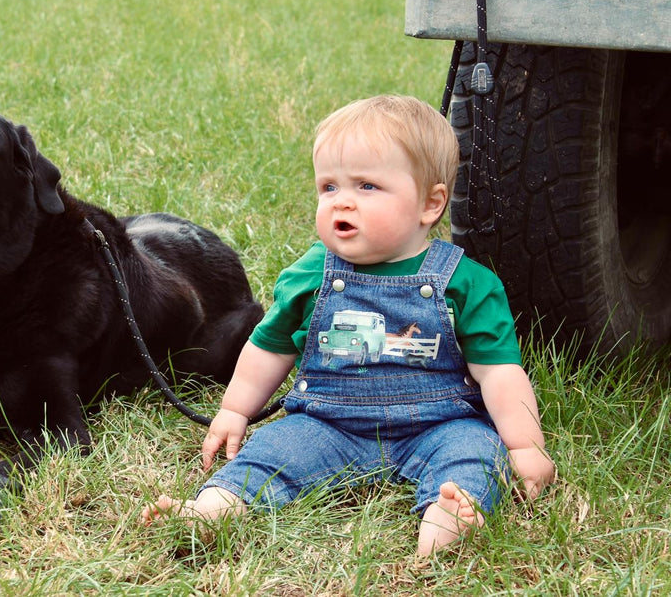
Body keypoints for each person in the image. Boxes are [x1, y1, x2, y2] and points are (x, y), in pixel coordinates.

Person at [141, 95, 555, 555]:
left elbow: (497, 371)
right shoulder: (310, 274)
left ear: (430, 203)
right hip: (327, 423)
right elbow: (269, 346)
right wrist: (236, 410)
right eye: (329, 187)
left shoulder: (467, 283)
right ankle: (215, 507)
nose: (343, 202)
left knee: (475, 453)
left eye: (367, 187)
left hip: (440, 424)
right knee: (272, 453)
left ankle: (450, 516)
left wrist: (525, 445)